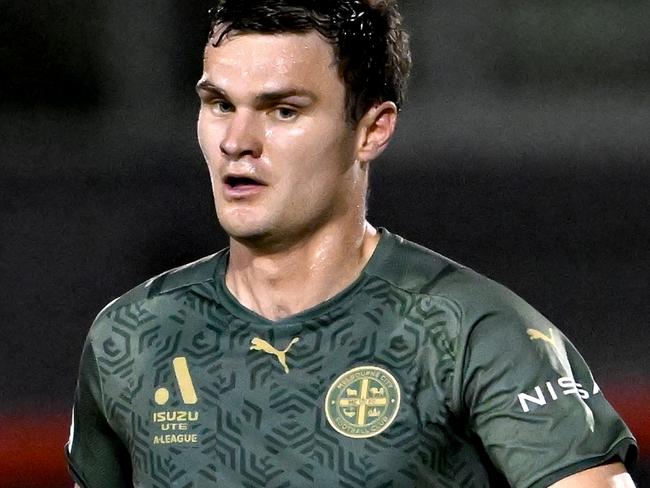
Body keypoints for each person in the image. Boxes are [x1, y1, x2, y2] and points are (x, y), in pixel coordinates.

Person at [65, 1, 638, 486]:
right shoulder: (131, 337)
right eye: (219, 105)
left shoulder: (471, 334)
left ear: (371, 130)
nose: (237, 141)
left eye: (283, 110)